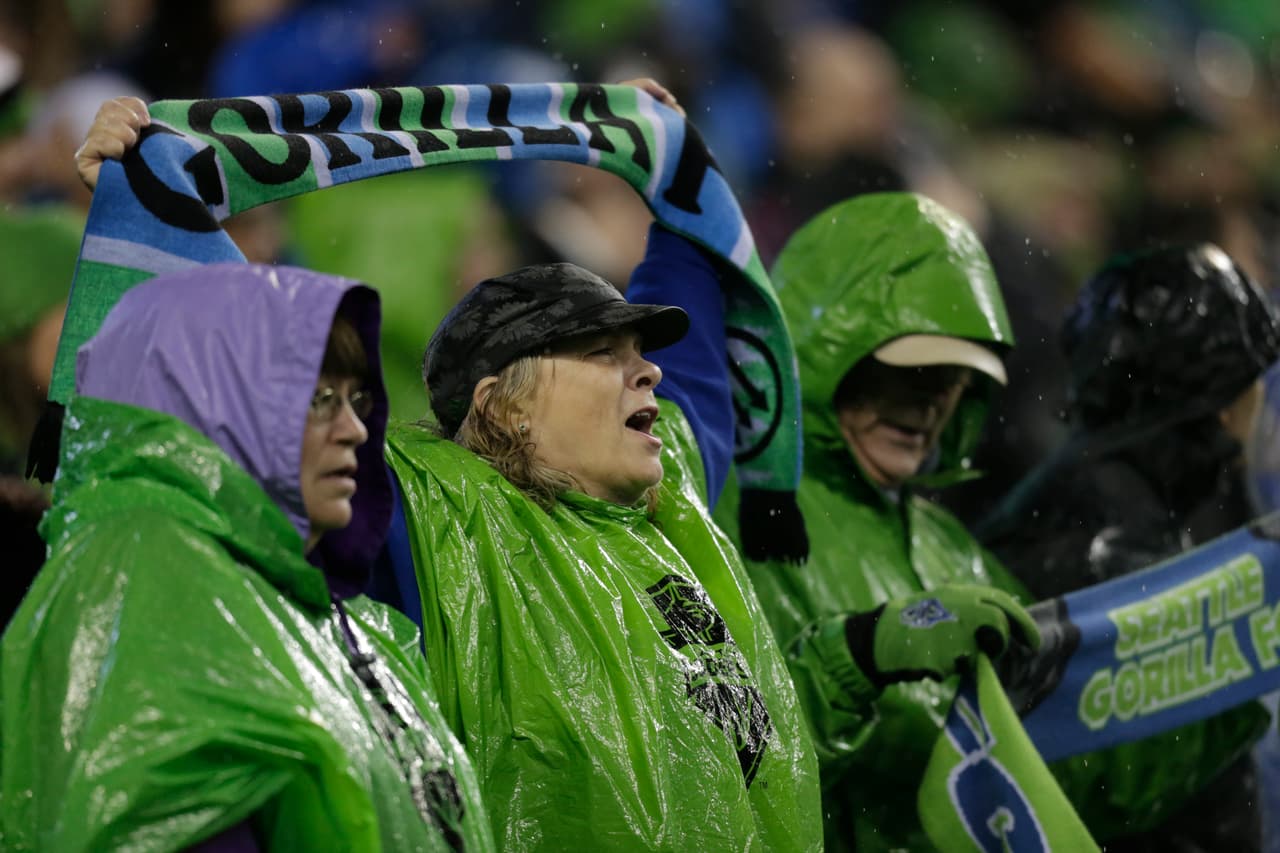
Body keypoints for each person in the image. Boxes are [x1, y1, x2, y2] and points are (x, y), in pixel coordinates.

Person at [77, 92, 1038, 852]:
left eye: (642, 349)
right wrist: (149, 197)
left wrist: (666, 159)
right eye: (602, 353)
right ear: (501, 400)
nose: (648, 370)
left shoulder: (677, 496)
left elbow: (692, 314)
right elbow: (245, 369)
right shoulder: (415, 508)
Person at [1, 263, 494, 851]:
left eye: (355, 399)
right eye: (317, 400)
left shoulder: (329, 613)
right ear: (213, 406)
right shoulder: (153, 595)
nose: (355, 430)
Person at [714, 191, 1041, 851]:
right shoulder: (726, 509)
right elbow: (713, 758)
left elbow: (1078, 765)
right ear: (822, 352)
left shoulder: (952, 547)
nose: (929, 400)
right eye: (910, 371)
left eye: (954, 376)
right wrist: (861, 659)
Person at [978, 242, 1278, 851]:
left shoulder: (1091, 500)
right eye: (1252, 386)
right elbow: (1118, 787)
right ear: (1222, 404)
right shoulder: (1111, 552)